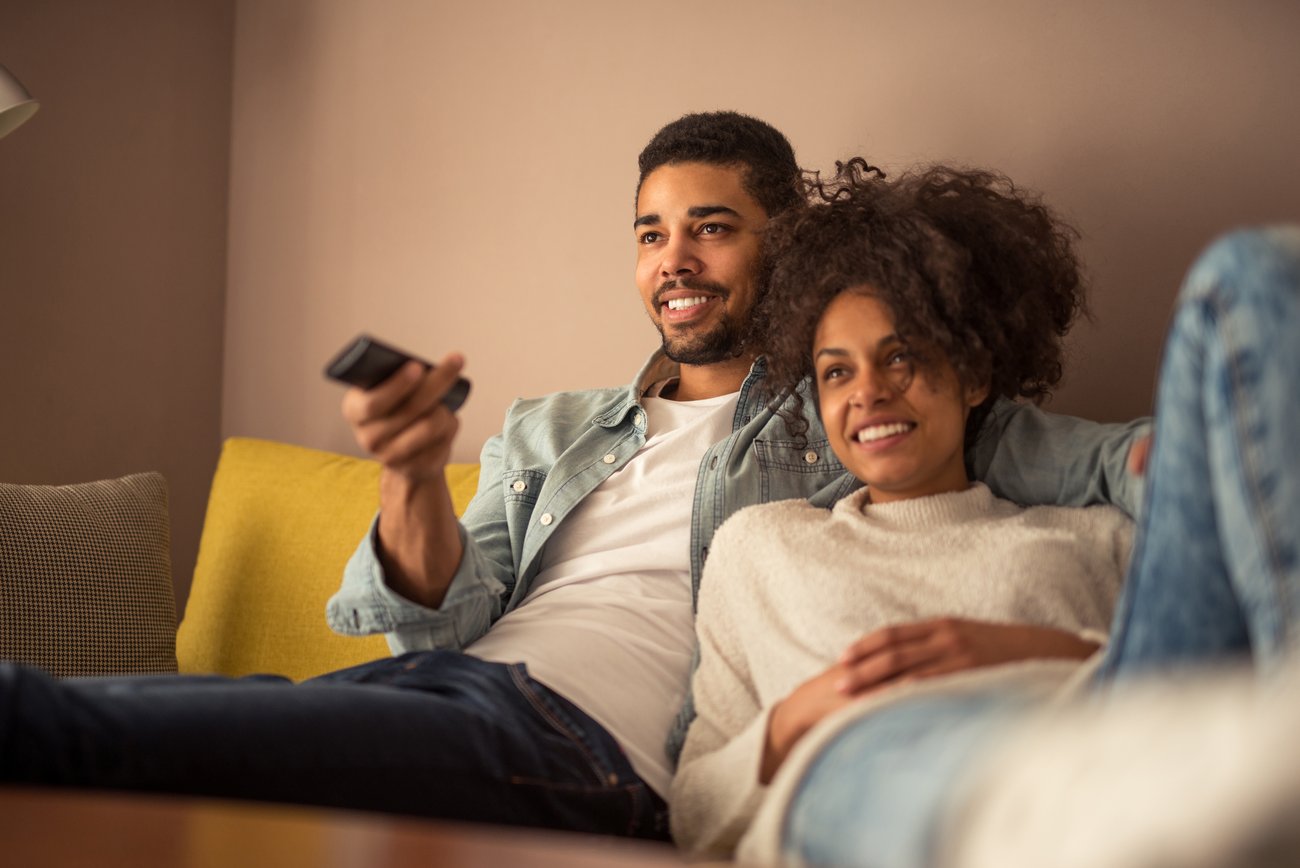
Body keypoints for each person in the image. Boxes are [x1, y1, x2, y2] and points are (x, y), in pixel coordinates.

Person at [0, 113, 1142, 837]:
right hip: (458, 699)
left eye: (710, 228)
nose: (672, 261)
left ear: (786, 241)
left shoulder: (857, 405)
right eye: (649, 234)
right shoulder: (551, 430)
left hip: (591, 749)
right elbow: (432, 622)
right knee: (140, 739)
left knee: (69, 730)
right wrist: (407, 474)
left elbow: (1118, 466)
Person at [669, 160, 1300, 868]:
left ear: (971, 376)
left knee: (1251, 275)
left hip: (1107, 726)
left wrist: (1031, 650)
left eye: (900, 357)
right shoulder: (760, 548)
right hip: (873, 759)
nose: (867, 393)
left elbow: (1157, 680)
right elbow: (693, 813)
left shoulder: (1094, 536)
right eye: (837, 372)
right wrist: (793, 720)